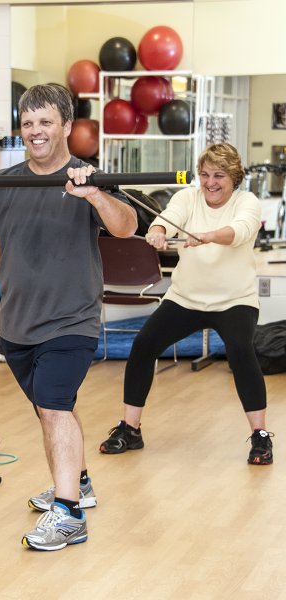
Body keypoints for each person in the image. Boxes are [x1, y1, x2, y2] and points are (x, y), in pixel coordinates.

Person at [0, 84, 138, 551]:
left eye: (45, 122)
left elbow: (126, 227)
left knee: (54, 406)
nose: (35, 131)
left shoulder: (88, 177)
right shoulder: (8, 181)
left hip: (72, 321)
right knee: (50, 410)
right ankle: (79, 483)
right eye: (28, 123)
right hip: (17, 327)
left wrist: (94, 197)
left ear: (66, 126)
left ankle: (68, 516)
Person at [99, 143, 274, 465]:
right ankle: (130, 428)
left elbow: (240, 230)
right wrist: (157, 231)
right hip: (186, 298)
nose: (210, 182)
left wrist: (207, 235)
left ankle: (260, 437)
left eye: (219, 175)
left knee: (241, 350)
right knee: (143, 345)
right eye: (205, 175)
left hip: (235, 300)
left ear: (234, 177)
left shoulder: (245, 201)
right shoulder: (187, 197)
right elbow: (167, 218)